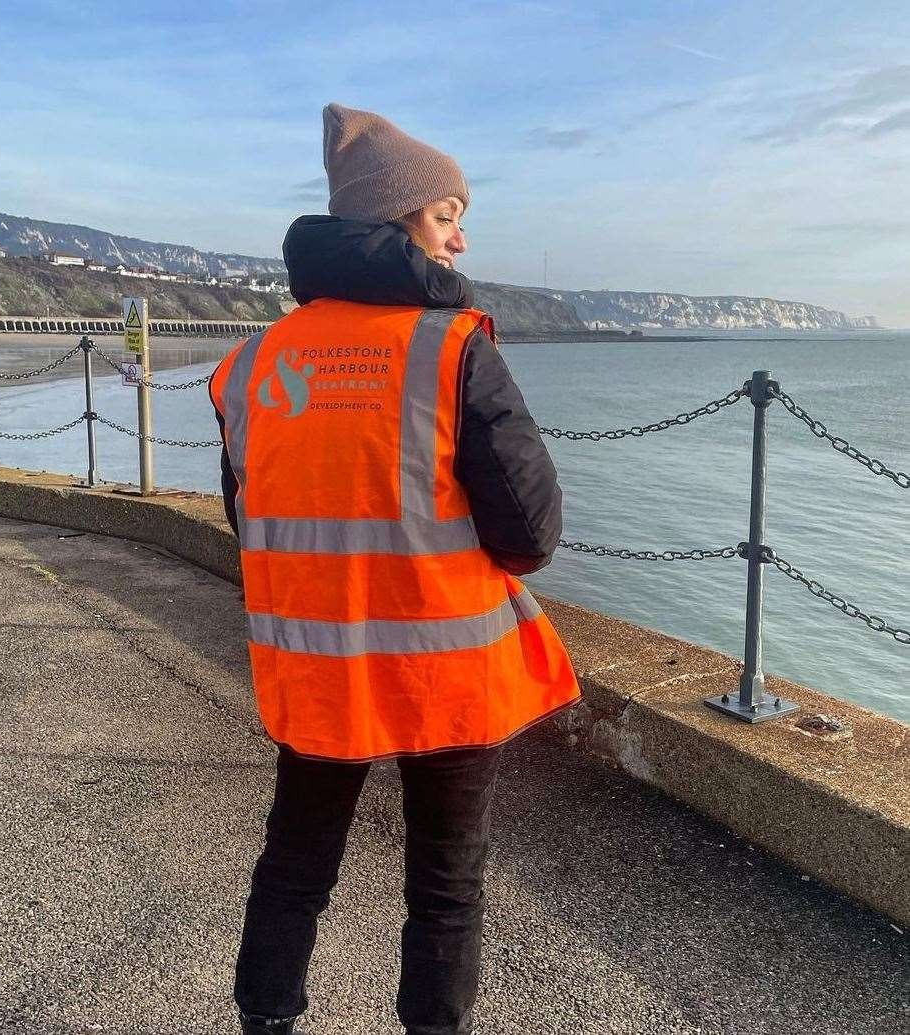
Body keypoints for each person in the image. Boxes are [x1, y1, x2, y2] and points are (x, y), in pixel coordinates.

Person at [210, 102, 581, 1035]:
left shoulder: (251, 362)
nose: (461, 233)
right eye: (447, 212)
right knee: (445, 888)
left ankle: (265, 1021)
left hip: (316, 668)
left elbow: (247, 518)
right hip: (444, 670)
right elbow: (529, 533)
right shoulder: (454, 346)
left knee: (293, 868)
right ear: (398, 220)